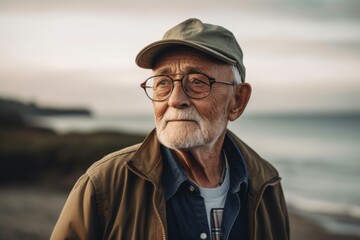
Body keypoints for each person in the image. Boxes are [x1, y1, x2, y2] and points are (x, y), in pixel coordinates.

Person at [51, 18, 290, 240]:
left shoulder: (266, 186)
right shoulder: (103, 185)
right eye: (163, 83)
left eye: (197, 81)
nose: (175, 100)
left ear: (237, 100)